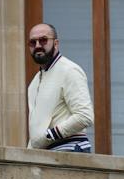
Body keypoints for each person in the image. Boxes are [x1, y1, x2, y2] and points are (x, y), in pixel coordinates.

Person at [25, 22, 94, 152]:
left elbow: (85, 116)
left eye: (43, 40)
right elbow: (37, 132)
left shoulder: (70, 70)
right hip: (44, 154)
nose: (38, 45)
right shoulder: (34, 83)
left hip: (69, 149)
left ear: (56, 43)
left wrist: (50, 135)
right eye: (33, 42)